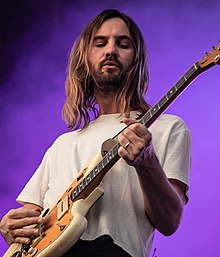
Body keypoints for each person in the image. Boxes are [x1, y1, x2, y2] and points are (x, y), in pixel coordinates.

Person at [0, 9, 191, 257]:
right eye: (100, 43)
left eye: (123, 44)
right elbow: (28, 220)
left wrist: (147, 163)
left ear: (137, 60)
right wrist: (10, 228)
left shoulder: (166, 127)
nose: (110, 50)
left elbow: (169, 222)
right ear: (86, 59)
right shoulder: (63, 144)